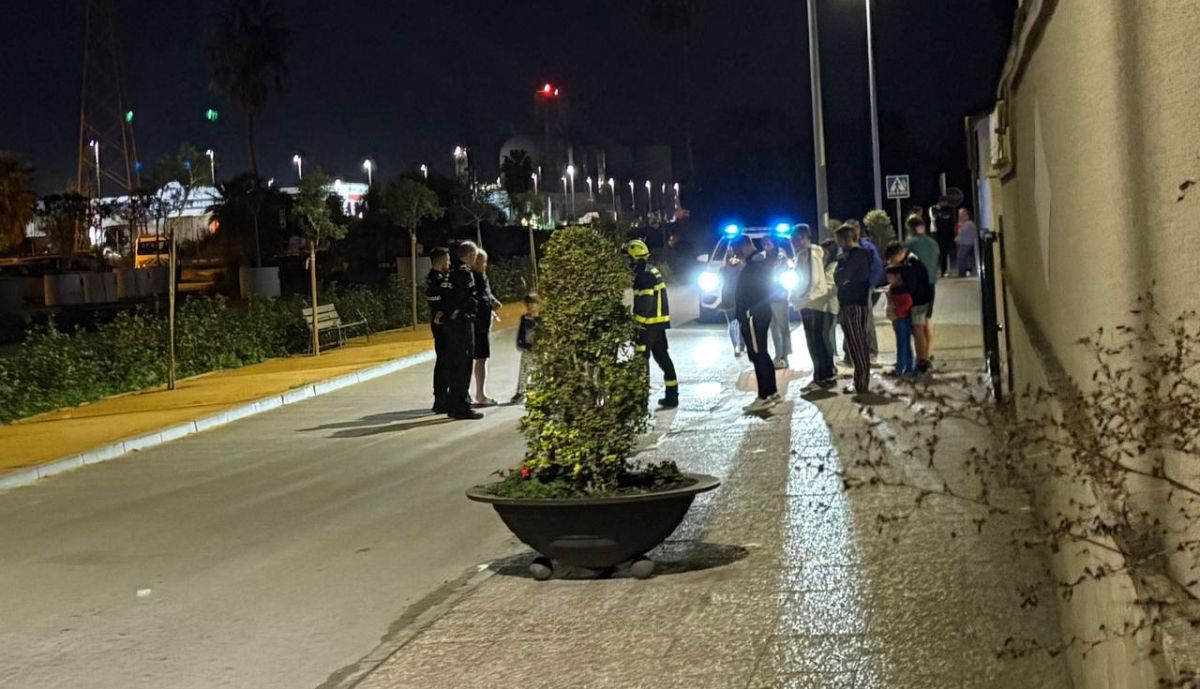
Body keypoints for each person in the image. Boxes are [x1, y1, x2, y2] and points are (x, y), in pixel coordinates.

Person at [627, 240, 679, 409]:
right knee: (662, 356)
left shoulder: (644, 275)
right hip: (658, 324)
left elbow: (646, 302)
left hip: (647, 326)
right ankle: (672, 395)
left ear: (634, 258)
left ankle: (639, 402)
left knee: (641, 361)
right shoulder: (651, 270)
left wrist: (637, 324)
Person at [733, 234, 779, 412]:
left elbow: (750, 290)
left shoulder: (755, 263)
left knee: (758, 354)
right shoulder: (757, 261)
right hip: (759, 311)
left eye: (736, 250)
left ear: (745, 246)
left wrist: (743, 312)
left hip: (753, 313)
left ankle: (764, 396)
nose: (735, 254)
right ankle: (772, 391)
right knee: (762, 352)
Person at [443, 241, 483, 420]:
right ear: (469, 256)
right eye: (474, 256)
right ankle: (462, 406)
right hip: (462, 324)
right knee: (464, 365)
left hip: (451, 326)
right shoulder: (464, 274)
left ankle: (453, 404)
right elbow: (467, 299)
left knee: (454, 366)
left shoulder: (449, 273)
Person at [792, 226, 836, 390]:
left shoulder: (811, 253)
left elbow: (812, 279)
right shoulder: (806, 253)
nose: (794, 242)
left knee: (816, 341)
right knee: (816, 341)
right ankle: (823, 375)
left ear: (804, 237)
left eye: (796, 239)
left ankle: (823, 377)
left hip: (812, 302)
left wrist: (798, 295)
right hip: (810, 301)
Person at [834, 225, 874, 395]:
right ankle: (859, 381)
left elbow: (842, 277)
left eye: (839, 240)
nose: (838, 244)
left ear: (845, 239)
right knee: (855, 344)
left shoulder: (857, 255)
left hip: (854, 305)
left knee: (858, 344)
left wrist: (840, 266)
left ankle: (862, 384)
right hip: (850, 303)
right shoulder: (853, 255)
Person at [887, 238, 934, 376]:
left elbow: (910, 286)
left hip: (919, 302)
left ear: (900, 253)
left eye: (892, 259)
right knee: (919, 331)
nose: (892, 262)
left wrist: (893, 290)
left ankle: (922, 363)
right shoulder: (910, 261)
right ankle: (920, 362)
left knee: (918, 331)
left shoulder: (911, 264)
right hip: (921, 300)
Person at [903, 216, 940, 374]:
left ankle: (921, 360)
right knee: (926, 320)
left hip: (917, 288)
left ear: (909, 228)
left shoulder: (910, 244)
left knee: (917, 325)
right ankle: (928, 353)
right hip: (931, 285)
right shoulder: (932, 243)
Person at [471, 249, 502, 406]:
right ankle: (478, 395)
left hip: (483, 324)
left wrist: (493, 301)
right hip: (475, 325)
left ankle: (479, 393)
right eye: (482, 262)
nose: (485, 265)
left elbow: (487, 295)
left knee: (481, 359)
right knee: (474, 359)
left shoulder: (483, 277)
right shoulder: (470, 278)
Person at [425, 247, 452, 414]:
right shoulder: (435, 280)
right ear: (441, 260)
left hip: (441, 324)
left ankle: (442, 396)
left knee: (444, 361)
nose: (449, 263)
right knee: (443, 361)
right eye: (447, 260)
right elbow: (437, 302)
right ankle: (440, 398)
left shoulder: (438, 278)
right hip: (441, 325)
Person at [761, 236, 793, 369]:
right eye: (763, 244)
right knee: (773, 327)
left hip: (779, 296)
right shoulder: (765, 257)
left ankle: (784, 356)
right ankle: (777, 355)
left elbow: (775, 273)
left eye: (768, 243)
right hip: (768, 297)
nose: (765, 246)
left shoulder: (780, 257)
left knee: (783, 327)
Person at [884, 266, 915, 377]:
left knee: (902, 344)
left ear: (898, 276)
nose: (888, 279)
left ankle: (901, 368)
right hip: (898, 319)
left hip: (902, 319)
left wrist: (897, 313)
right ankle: (908, 368)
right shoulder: (894, 288)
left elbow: (907, 304)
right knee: (905, 344)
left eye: (890, 277)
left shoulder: (903, 289)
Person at [510, 292, 540, 404]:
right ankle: (521, 392)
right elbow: (521, 333)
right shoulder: (525, 318)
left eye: (532, 304)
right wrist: (520, 343)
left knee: (537, 371)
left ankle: (536, 391)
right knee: (524, 370)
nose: (530, 307)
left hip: (538, 349)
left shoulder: (541, 319)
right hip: (527, 348)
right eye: (528, 305)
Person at [819, 240, 841, 368]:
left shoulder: (833, 266)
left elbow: (828, 284)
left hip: (829, 305)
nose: (822, 254)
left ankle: (831, 364)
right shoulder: (824, 264)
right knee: (826, 334)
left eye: (825, 252)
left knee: (826, 334)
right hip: (822, 305)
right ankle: (830, 362)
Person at [718, 255, 745, 357]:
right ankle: (739, 346)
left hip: (732, 299)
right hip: (735, 300)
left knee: (734, 324)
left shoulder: (723, 270)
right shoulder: (742, 268)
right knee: (737, 323)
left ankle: (739, 346)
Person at [930, 196, 957, 278]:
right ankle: (936, 271)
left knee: (944, 254)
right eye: (942, 202)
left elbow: (952, 221)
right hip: (937, 235)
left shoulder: (950, 209)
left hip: (947, 235)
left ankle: (943, 271)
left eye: (945, 202)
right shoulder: (934, 209)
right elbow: (933, 219)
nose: (944, 203)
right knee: (937, 254)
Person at [955, 208, 979, 277]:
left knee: (961, 258)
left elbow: (962, 232)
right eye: (959, 213)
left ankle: (962, 274)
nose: (960, 215)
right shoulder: (962, 223)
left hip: (966, 243)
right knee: (962, 258)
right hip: (963, 243)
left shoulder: (969, 223)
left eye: (962, 213)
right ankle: (962, 273)